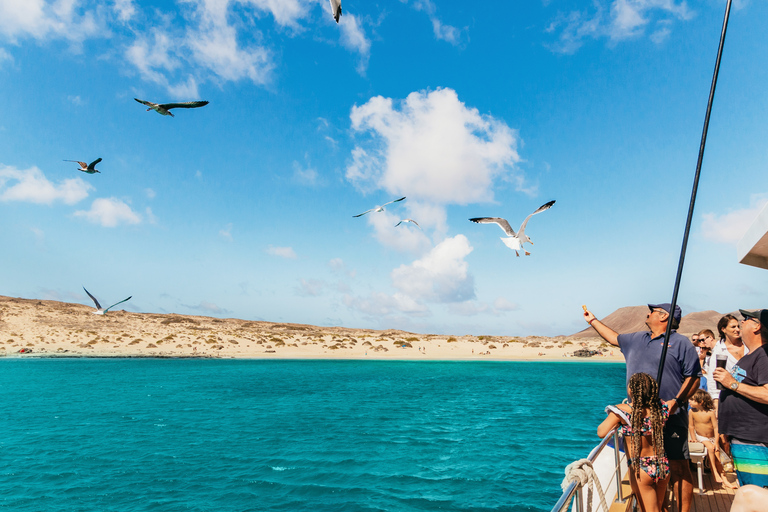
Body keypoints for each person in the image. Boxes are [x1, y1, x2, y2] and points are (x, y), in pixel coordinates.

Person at [584, 303, 701, 512]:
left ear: (663, 316)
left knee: (678, 466)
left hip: (670, 415)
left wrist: (676, 402)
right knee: (644, 464)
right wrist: (592, 320)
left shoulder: (681, 343)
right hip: (639, 415)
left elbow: (693, 379)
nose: (648, 313)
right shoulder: (636, 338)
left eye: (653, 311)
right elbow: (613, 338)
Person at [598, 373, 670, 512]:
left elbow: (601, 432)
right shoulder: (660, 408)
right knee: (659, 508)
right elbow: (671, 404)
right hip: (662, 463)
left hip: (641, 467)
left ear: (631, 390)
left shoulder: (623, 411)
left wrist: (618, 422)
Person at [713, 309, 768, 489]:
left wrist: (732, 384)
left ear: (757, 326)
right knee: (750, 491)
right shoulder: (752, 355)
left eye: (745, 319)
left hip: (755, 442)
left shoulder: (764, 356)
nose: (741, 323)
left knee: (757, 495)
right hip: (744, 438)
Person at [687, 389, 733, 488]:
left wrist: (716, 442)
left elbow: (716, 428)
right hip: (701, 436)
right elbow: (691, 426)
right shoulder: (692, 412)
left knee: (718, 458)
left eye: (692, 399)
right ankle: (714, 472)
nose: (689, 401)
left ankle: (724, 479)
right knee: (710, 448)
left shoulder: (710, 413)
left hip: (712, 437)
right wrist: (694, 438)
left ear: (701, 402)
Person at [707, 315, 748, 410]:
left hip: (751, 392)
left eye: (738, 326)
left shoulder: (748, 346)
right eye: (733, 327)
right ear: (723, 329)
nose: (737, 329)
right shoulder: (719, 351)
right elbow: (713, 379)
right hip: (730, 397)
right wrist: (716, 401)